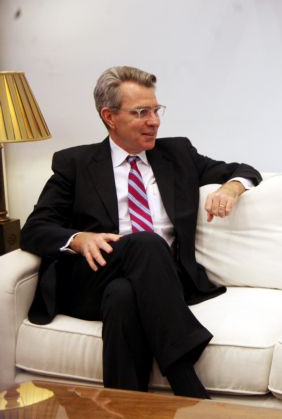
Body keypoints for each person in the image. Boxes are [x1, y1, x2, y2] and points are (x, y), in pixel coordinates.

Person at [21, 66, 262, 398]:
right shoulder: (75, 164)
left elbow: (244, 170)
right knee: (146, 244)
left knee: (123, 295)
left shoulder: (178, 154)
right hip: (93, 277)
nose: (154, 121)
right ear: (109, 117)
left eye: (156, 110)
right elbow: (34, 229)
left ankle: (123, 407)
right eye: (141, 112)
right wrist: (78, 239)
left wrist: (231, 188)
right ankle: (183, 378)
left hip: (161, 281)